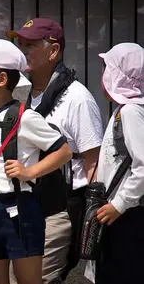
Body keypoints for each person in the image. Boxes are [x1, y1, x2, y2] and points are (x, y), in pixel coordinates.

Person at [0, 39, 72, 284]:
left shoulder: (25, 117)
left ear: (1, 80)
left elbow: (63, 151)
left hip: (20, 209)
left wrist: (30, 171)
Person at [6, 18, 103, 283]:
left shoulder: (77, 98)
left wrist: (89, 220)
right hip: (21, 209)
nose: (23, 50)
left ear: (53, 51)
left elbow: (94, 162)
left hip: (58, 210)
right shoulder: (18, 93)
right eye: (20, 44)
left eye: (31, 45)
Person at [85, 43, 144, 284]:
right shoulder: (125, 110)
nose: (103, 76)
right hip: (119, 216)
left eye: (106, 69)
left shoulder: (131, 111)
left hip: (127, 218)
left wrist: (118, 205)